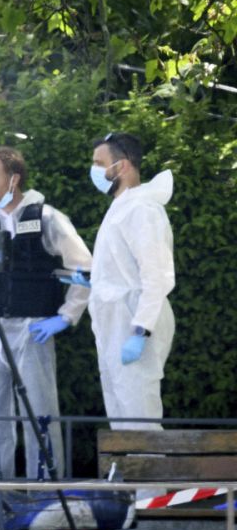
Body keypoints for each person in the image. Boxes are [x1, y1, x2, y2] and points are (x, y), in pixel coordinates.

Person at [0, 147, 91, 506]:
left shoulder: (47, 217)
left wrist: (67, 315)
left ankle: (44, 495)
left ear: (13, 179)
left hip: (34, 325)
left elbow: (84, 269)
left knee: (40, 413)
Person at [83, 132, 175, 430]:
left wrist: (140, 330)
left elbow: (157, 276)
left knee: (139, 411)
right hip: (118, 323)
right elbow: (124, 270)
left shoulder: (142, 210)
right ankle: (129, 469)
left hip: (133, 324)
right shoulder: (122, 208)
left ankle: (148, 471)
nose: (95, 170)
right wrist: (94, 282)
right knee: (121, 409)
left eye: (100, 163)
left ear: (121, 167)